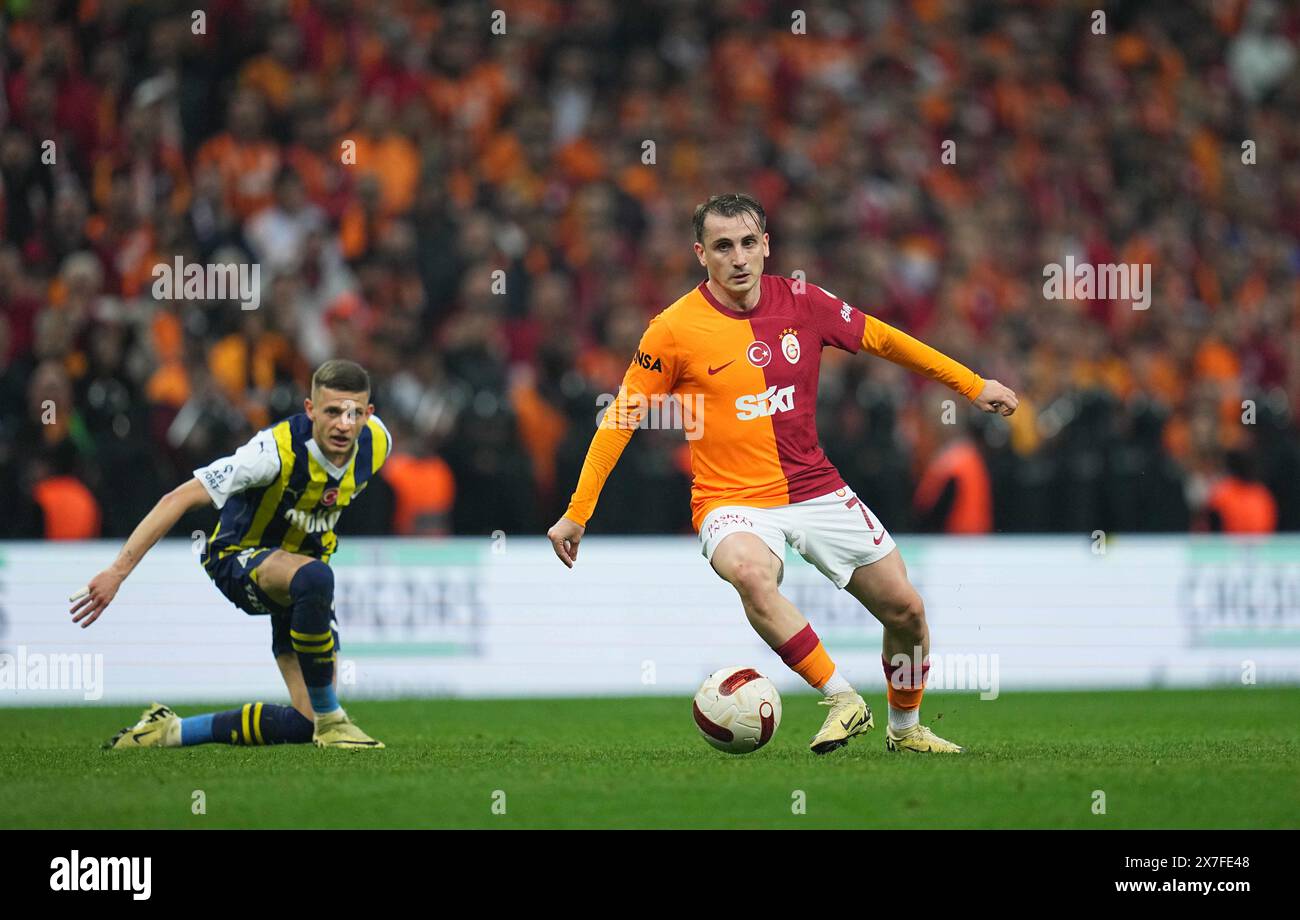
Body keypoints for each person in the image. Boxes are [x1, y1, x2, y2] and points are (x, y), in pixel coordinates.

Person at [547, 194, 1018, 754]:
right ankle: (841, 697)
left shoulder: (803, 301)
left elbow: (885, 339)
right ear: (702, 254)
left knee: (907, 611)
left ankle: (906, 728)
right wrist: (577, 513)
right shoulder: (671, 331)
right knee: (750, 573)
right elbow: (620, 420)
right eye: (723, 246)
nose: (739, 258)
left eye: (749, 243)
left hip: (814, 485)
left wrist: (973, 384)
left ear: (767, 245)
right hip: (731, 499)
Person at [70, 359, 392, 750]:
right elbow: (180, 497)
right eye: (332, 412)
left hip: (302, 577)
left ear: (368, 414)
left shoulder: (378, 443)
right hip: (238, 559)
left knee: (301, 725)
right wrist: (118, 572)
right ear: (310, 409)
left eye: (354, 413)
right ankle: (333, 719)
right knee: (316, 579)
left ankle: (168, 732)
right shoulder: (272, 451)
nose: (343, 423)